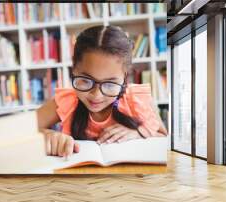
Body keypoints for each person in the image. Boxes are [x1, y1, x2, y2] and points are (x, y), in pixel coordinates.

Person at [37, 25, 167, 158]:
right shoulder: (66, 101)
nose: (96, 95)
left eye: (110, 84)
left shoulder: (136, 99)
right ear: (73, 70)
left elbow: (163, 136)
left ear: (124, 77)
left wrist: (139, 132)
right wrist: (46, 135)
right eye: (86, 80)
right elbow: (20, 131)